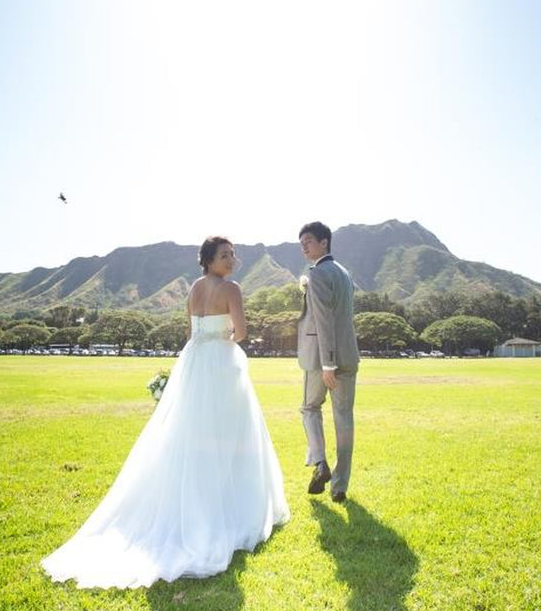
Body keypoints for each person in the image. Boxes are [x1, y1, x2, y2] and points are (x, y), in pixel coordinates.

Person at [42, 236, 289, 589]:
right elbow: (242, 332)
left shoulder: (193, 289)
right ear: (208, 259)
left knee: (190, 433)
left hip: (193, 362)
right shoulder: (231, 289)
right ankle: (230, 510)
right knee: (231, 434)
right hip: (220, 363)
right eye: (225, 255)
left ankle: (197, 501)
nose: (232, 259)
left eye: (233, 254)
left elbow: (191, 331)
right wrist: (225, 339)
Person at [296, 221, 360, 504]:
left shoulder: (319, 273)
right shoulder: (345, 274)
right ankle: (340, 485)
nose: (304, 246)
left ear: (325, 242)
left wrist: (328, 363)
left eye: (308, 240)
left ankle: (321, 464)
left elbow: (324, 320)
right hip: (350, 355)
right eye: (302, 242)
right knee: (344, 418)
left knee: (309, 408)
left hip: (323, 359)